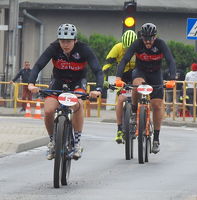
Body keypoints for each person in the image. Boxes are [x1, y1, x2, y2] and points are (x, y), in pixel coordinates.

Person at [28, 23, 103, 160]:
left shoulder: (84, 49)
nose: (65, 45)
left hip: (77, 83)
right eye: (62, 41)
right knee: (49, 110)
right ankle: (52, 141)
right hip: (57, 82)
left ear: (75, 40)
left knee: (77, 104)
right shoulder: (54, 48)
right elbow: (38, 65)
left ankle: (77, 143)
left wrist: (98, 89)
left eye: (68, 41)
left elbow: (97, 70)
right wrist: (31, 84)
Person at [115, 23, 176, 154]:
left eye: (151, 39)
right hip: (140, 72)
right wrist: (118, 78)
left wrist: (172, 79)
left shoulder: (160, 44)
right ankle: (135, 110)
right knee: (137, 85)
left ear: (155, 37)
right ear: (141, 37)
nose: (148, 42)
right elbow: (125, 59)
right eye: (145, 38)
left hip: (155, 74)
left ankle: (156, 139)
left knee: (157, 105)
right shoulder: (137, 44)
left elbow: (170, 61)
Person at [102, 30, 137, 144]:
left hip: (136, 75)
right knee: (121, 99)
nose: (128, 51)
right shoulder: (117, 48)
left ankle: (141, 119)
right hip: (122, 76)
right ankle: (119, 129)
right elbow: (107, 64)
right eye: (126, 48)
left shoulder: (139, 49)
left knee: (142, 96)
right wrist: (104, 80)